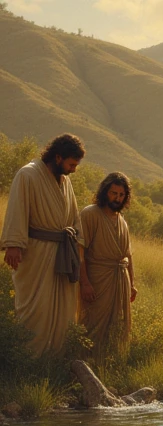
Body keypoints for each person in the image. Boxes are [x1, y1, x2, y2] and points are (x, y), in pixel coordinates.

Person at [1, 134, 85, 357]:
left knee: (63, 310)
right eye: (71, 164)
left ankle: (56, 357)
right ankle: (28, 359)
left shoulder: (65, 181)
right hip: (37, 254)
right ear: (58, 157)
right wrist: (13, 245)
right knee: (36, 309)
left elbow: (74, 217)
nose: (74, 170)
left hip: (63, 254)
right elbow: (17, 209)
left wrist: (78, 246)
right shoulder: (27, 175)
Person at [78, 172, 137, 356]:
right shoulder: (90, 214)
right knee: (93, 324)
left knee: (118, 325)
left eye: (121, 195)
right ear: (105, 192)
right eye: (114, 193)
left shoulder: (122, 221)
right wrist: (85, 282)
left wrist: (132, 284)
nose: (117, 198)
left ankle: (109, 364)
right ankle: (84, 363)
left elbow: (127, 256)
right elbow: (80, 251)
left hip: (120, 280)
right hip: (98, 280)